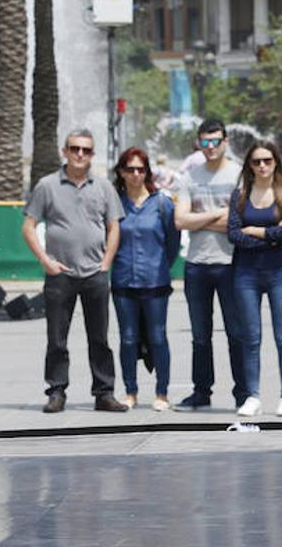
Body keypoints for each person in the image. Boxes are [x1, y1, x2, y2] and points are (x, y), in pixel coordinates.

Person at [21, 129, 129, 413]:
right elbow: (28, 226)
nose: (80, 154)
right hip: (60, 274)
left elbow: (114, 226)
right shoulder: (47, 185)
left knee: (100, 338)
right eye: (75, 149)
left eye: (86, 150)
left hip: (94, 273)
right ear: (64, 151)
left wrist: (106, 262)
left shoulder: (104, 187)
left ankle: (104, 393)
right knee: (57, 338)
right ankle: (56, 392)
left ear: (93, 154)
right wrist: (45, 261)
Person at [172, 119, 248, 412]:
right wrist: (219, 214)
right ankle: (201, 391)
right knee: (200, 335)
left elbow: (240, 221)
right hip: (197, 265)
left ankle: (243, 393)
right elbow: (180, 220)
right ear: (198, 144)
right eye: (205, 142)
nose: (211, 147)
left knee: (236, 333)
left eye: (216, 141)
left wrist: (200, 219)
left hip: (231, 264)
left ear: (226, 141)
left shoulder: (239, 175)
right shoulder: (190, 176)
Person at [228, 140, 282, 417]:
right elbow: (233, 234)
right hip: (245, 273)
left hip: (279, 272)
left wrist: (254, 232)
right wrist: (269, 235)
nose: (262, 166)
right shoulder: (240, 195)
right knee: (251, 338)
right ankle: (253, 395)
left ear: (276, 163)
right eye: (257, 161)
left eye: (267, 160)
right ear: (249, 165)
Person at [111, 147, 181, 411]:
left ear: (148, 172)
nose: (136, 174)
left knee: (157, 337)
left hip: (155, 282)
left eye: (141, 169)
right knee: (128, 338)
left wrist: (162, 266)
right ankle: (131, 392)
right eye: (130, 169)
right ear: (121, 172)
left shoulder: (162, 203)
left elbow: (172, 243)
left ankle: (162, 393)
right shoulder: (115, 203)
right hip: (123, 282)